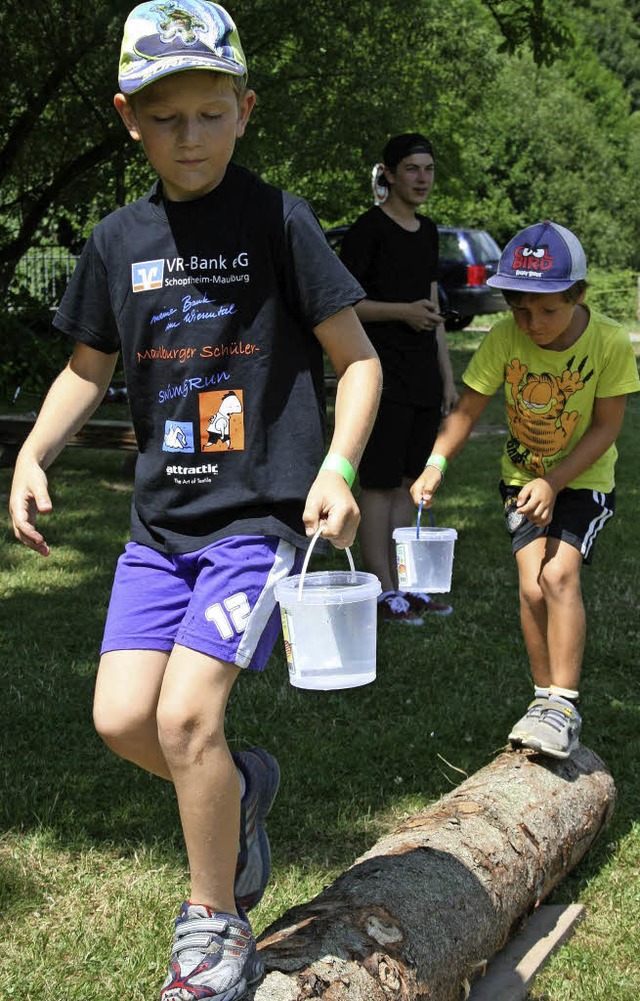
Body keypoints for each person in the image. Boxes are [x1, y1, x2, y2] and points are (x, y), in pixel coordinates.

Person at [8, 3, 382, 999]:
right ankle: (244, 786)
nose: (190, 137)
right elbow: (88, 368)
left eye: (210, 113)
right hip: (156, 530)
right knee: (123, 718)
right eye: (167, 116)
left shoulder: (278, 220)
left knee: (184, 721)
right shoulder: (116, 238)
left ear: (244, 110)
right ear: (130, 118)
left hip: (258, 523)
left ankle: (213, 922)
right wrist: (36, 449)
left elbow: (358, 361)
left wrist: (337, 472)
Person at [410, 219, 640, 758]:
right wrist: (436, 463)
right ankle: (543, 701)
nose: (532, 323)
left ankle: (564, 703)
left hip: (583, 481)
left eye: (548, 310)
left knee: (559, 575)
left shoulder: (608, 342)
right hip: (521, 482)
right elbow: (467, 408)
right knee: (532, 587)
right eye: (520, 310)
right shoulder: (505, 339)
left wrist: (555, 480)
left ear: (579, 294)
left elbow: (607, 428)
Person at [340, 133, 458, 625]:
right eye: (412, 169)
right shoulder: (367, 231)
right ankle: (382, 590)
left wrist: (447, 377)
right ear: (388, 174)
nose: (422, 178)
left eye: (428, 169)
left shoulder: (427, 231)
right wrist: (400, 313)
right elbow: (345, 306)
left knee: (411, 486)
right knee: (379, 484)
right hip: (378, 376)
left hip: (423, 377)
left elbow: (431, 307)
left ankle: (404, 586)